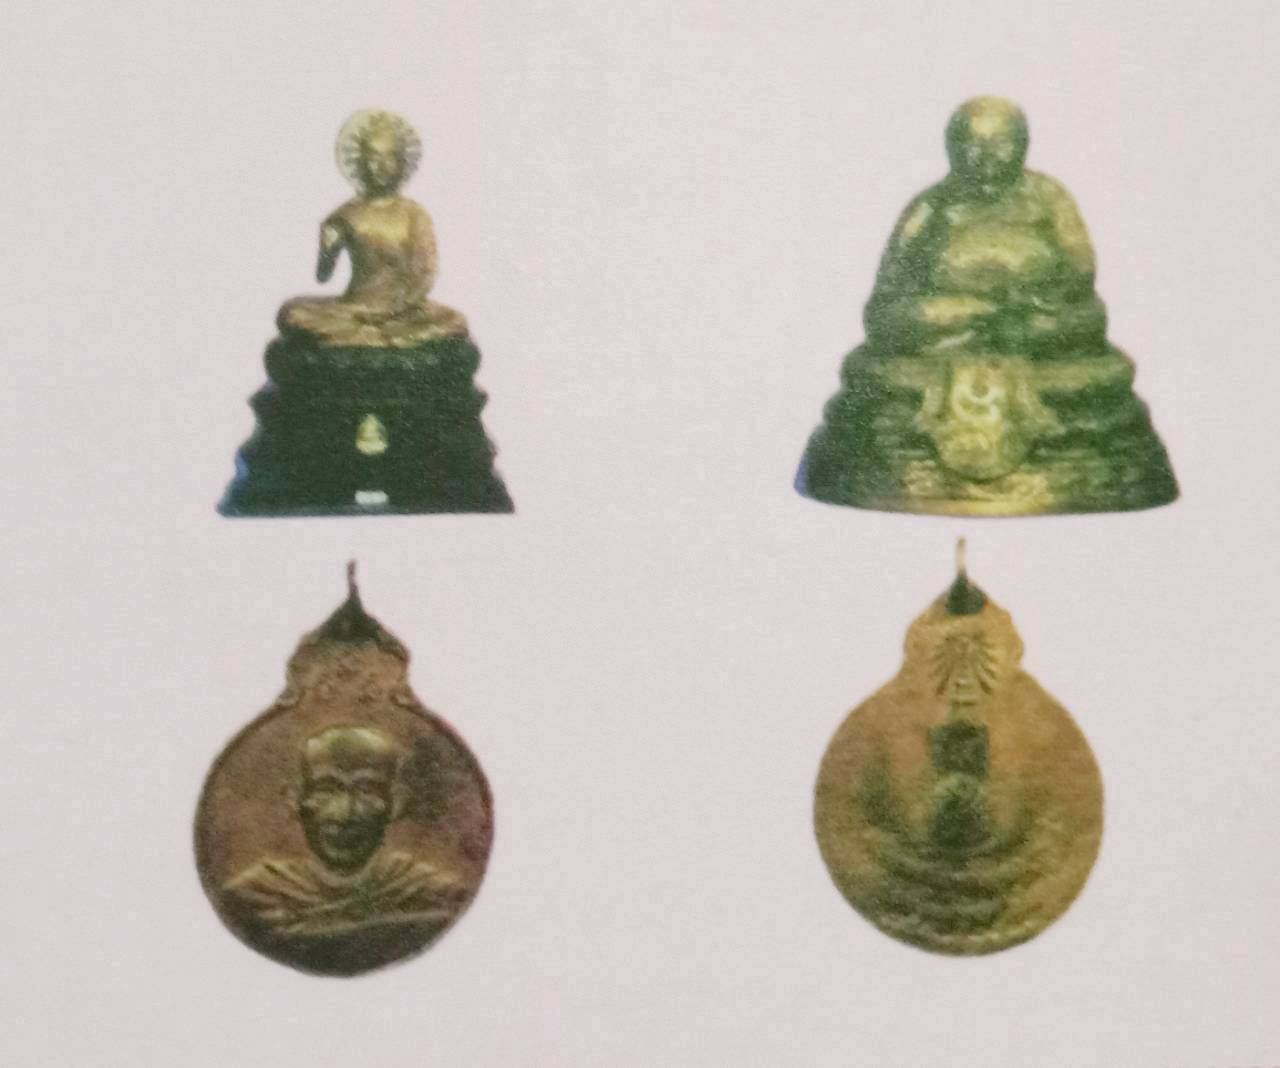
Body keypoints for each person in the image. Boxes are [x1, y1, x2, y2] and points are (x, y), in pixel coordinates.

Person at [863, 96, 1106, 361]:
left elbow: (1082, 267)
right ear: (951, 147)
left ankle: (973, 341)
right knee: (891, 321)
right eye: (973, 144)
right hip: (955, 312)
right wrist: (973, 308)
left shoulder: (1048, 195)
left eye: (1002, 144)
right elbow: (889, 289)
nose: (987, 157)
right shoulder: (931, 204)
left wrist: (1044, 297)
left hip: (1030, 312)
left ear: (1023, 145)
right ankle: (986, 334)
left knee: (1085, 318)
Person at [223, 725, 465, 941]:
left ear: (396, 803)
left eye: (367, 790)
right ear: (295, 800)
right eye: (326, 789)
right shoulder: (253, 897)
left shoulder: (433, 895)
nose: (345, 814)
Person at [277, 109, 467, 348]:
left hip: (401, 312)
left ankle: (378, 336)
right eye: (373, 158)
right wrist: (327, 249)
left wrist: (398, 307)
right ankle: (379, 337)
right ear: (360, 163)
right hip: (354, 309)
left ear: (402, 163)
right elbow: (323, 276)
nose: (381, 166)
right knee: (293, 314)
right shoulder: (346, 214)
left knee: (453, 322)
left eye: (390, 158)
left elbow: (426, 272)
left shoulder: (414, 214)